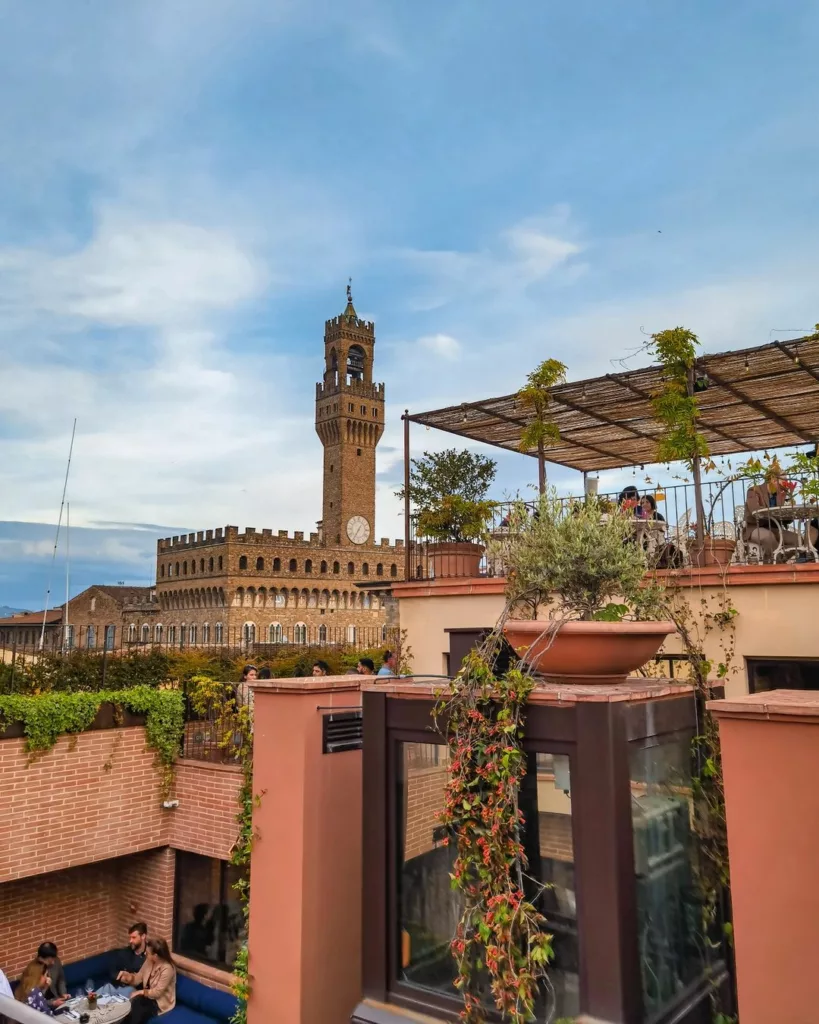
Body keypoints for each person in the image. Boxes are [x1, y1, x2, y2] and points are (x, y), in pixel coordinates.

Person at [744, 461, 800, 559]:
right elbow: (755, 511)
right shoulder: (754, 491)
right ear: (774, 480)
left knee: (797, 539)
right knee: (768, 537)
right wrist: (776, 514)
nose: (786, 484)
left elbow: (785, 517)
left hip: (774, 528)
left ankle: (779, 560)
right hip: (756, 528)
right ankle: (774, 563)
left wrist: (789, 510)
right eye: (783, 481)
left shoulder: (780, 494)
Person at [121, 938, 176, 1024]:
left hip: (158, 1002)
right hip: (146, 997)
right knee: (130, 1007)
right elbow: (138, 977)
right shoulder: (149, 961)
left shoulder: (167, 969)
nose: (146, 954)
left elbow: (157, 993)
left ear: (156, 956)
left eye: (148, 953)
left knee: (138, 1011)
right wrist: (130, 977)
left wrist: (140, 992)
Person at [110, 922, 149, 993]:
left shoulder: (150, 956)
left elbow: (148, 981)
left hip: (138, 993)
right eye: (130, 937)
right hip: (121, 989)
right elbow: (112, 972)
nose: (130, 941)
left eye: (134, 937)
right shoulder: (124, 953)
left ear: (143, 936)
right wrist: (122, 978)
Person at [36, 943, 67, 1008]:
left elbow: (61, 979)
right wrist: (53, 1003)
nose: (53, 962)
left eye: (54, 958)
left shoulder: (56, 960)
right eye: (50, 960)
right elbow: (36, 999)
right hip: (43, 1005)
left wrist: (63, 993)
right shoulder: (34, 971)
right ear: (41, 958)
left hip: (57, 998)